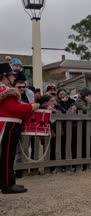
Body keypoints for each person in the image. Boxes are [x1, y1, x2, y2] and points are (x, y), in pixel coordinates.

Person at [0, 62, 39, 194]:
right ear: (4, 76)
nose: (13, 78)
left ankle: (8, 182)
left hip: (11, 124)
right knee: (7, 156)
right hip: (8, 125)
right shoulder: (5, 90)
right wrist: (31, 106)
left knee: (8, 156)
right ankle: (7, 185)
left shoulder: (6, 89)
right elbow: (13, 108)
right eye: (11, 75)